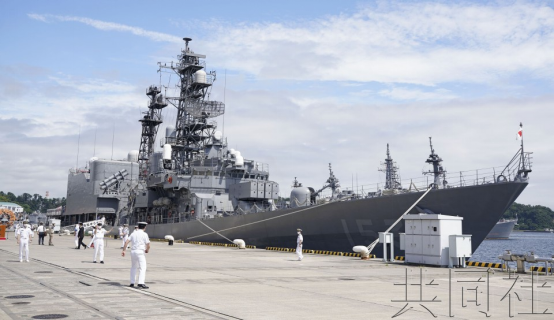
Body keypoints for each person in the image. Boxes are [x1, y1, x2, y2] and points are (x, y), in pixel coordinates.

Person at [122, 222, 150, 289]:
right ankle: (141, 282)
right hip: (140, 252)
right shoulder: (144, 234)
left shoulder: (133, 233)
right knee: (142, 267)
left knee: (133, 267)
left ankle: (132, 282)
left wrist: (124, 250)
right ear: (144, 227)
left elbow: (126, 242)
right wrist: (147, 250)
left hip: (133, 251)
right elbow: (148, 244)